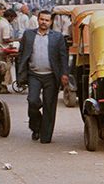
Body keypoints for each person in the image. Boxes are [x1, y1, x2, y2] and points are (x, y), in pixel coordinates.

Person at [16, 10, 69, 143]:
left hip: (51, 76)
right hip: (34, 75)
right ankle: (35, 127)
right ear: (37, 20)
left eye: (47, 20)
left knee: (49, 107)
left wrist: (64, 74)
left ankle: (45, 136)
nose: (44, 22)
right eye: (42, 19)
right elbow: (21, 55)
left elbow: (63, 57)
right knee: (32, 101)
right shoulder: (28, 35)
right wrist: (20, 74)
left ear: (51, 22)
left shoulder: (57, 37)